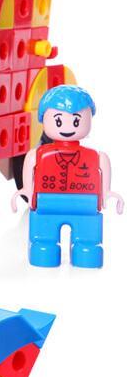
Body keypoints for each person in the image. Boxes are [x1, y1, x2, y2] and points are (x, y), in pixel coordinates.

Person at [11, 85, 123, 267]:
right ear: (44, 119)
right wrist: (27, 190)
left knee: (88, 245)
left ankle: (87, 249)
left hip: (86, 205)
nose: (68, 127)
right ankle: (44, 248)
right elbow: (29, 166)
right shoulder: (38, 154)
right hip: (47, 203)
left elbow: (104, 167)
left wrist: (106, 192)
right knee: (43, 243)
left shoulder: (95, 156)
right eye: (59, 120)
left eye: (76, 121)